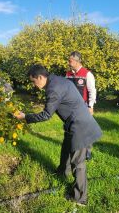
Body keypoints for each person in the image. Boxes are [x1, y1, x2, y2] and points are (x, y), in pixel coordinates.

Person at [14, 64, 102, 206]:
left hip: (79, 125)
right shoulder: (57, 80)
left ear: (41, 77)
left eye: (33, 81)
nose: (34, 85)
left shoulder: (53, 88)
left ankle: (80, 198)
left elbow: (46, 115)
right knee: (66, 148)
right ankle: (62, 172)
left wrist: (25, 117)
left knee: (78, 163)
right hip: (74, 122)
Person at [66, 51, 97, 160]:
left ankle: (87, 151)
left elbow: (92, 91)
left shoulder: (87, 74)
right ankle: (74, 147)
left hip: (84, 107)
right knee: (72, 128)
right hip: (71, 107)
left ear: (76, 61)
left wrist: (90, 106)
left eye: (70, 60)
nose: (68, 62)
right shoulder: (68, 74)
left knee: (86, 129)